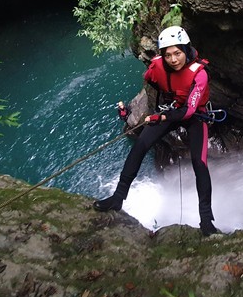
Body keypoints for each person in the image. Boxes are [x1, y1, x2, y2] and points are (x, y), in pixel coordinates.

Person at [93, 26, 219, 236]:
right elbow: (152, 82)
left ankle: (206, 219)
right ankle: (118, 198)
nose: (173, 59)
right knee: (140, 145)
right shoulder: (157, 67)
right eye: (168, 54)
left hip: (194, 115)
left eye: (177, 53)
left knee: (199, 162)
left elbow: (188, 110)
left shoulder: (200, 74)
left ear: (186, 51)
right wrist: (147, 111)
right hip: (168, 111)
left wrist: (161, 116)